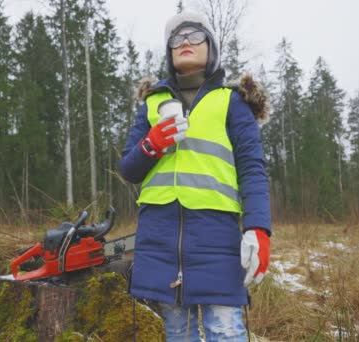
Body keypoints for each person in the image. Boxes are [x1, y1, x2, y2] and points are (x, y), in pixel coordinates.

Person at [120, 10, 272, 342]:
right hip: (159, 239)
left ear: (211, 46)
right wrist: (152, 144)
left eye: (194, 35)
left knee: (225, 330)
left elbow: (253, 170)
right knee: (177, 332)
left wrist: (258, 229)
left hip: (216, 237)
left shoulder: (231, 102)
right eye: (177, 38)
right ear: (169, 52)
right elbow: (128, 169)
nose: (185, 41)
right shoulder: (151, 104)